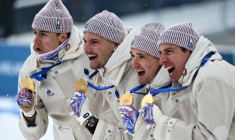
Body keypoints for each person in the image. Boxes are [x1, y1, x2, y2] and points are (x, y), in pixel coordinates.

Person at [140, 22, 235, 140]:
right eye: (161, 53)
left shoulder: (209, 79)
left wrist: (159, 123)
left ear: (189, 51)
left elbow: (208, 137)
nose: (162, 60)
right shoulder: (193, 78)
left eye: (169, 51)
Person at [16, 0, 92, 139]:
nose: (35, 40)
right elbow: (33, 135)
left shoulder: (90, 55)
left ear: (62, 36)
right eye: (35, 32)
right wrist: (29, 114)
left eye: (43, 34)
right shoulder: (30, 71)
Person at [70, 10, 145, 139]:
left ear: (115, 44)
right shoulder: (103, 71)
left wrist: (89, 121)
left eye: (94, 42)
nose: (86, 48)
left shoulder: (136, 79)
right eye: (85, 41)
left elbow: (132, 137)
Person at [118, 22, 172, 139]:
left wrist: (159, 124)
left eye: (141, 57)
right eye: (132, 56)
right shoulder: (145, 90)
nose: (134, 64)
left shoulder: (177, 95)